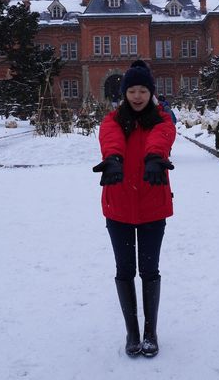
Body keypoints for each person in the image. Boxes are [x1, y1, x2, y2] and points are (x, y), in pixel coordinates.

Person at [93, 60, 176, 358]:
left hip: (153, 206)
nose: (137, 96)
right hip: (119, 208)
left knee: (150, 270)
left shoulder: (162, 119)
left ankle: (151, 331)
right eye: (132, 90)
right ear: (125, 93)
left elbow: (161, 136)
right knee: (125, 270)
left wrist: (154, 157)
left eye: (143, 90)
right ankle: (132, 331)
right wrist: (113, 158)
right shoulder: (113, 120)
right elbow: (111, 138)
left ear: (151, 93)